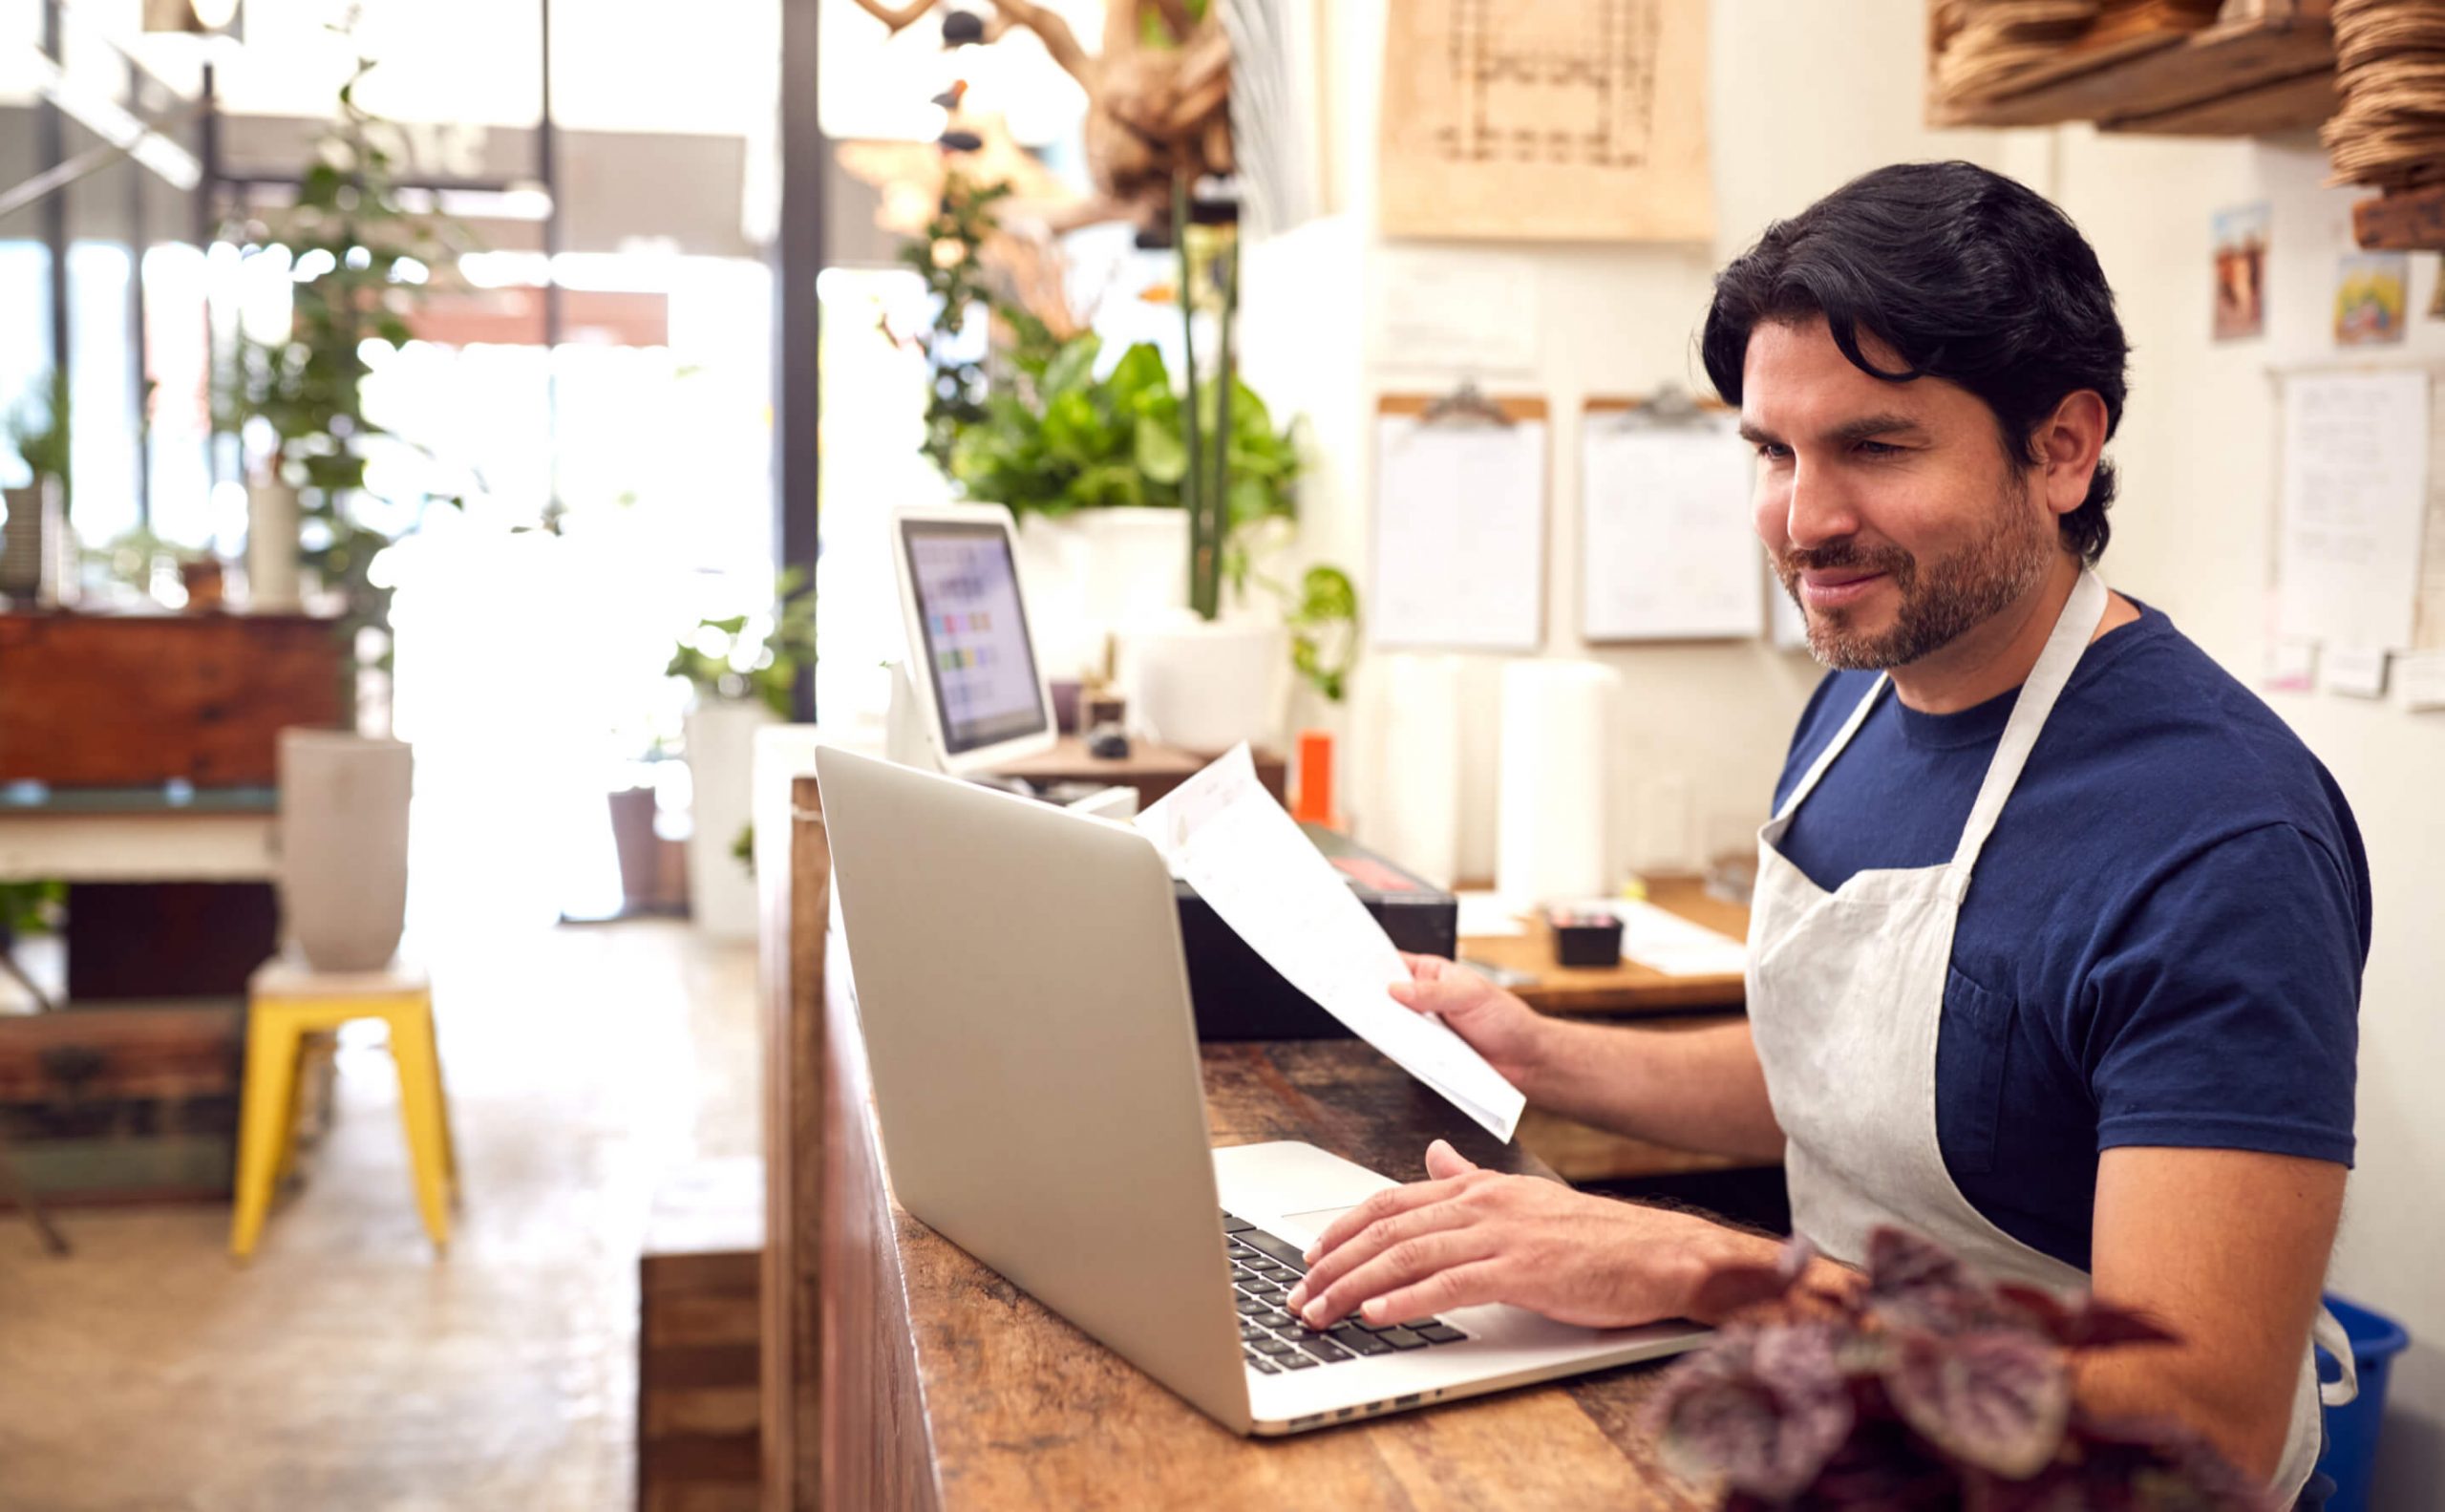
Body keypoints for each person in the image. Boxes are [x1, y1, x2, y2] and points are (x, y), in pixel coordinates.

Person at [1287, 161, 2365, 1506]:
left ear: (2064, 448)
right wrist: (1543, 1052)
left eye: (1875, 447)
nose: (1804, 522)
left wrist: (1701, 1268)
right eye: (1773, 452)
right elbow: (1869, 1071)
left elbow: (2199, 1419)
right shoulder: (1859, 700)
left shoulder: (2219, 843)